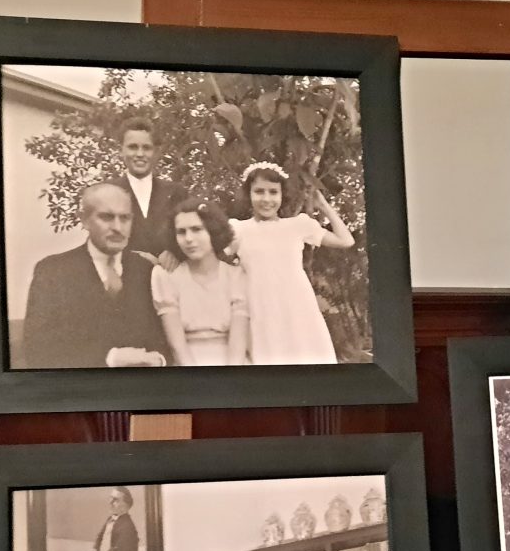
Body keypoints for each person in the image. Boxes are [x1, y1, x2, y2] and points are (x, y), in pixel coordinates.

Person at [20, 182, 171, 369]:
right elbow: (38, 349)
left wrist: (160, 361)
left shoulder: (146, 270)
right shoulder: (53, 272)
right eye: (106, 217)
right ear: (84, 220)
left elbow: (166, 339)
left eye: (125, 218)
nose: (118, 227)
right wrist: (110, 358)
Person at [228, 161, 353, 365]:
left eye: (273, 192)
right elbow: (214, 260)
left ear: (282, 195)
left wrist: (323, 206)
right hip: (262, 309)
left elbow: (345, 240)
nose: (266, 199)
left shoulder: (298, 225)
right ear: (248, 194)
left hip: (298, 308)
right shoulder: (238, 230)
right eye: (259, 191)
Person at [151, 198, 251, 366]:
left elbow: (238, 344)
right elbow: (177, 347)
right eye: (181, 232)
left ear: (213, 231)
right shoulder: (166, 276)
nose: (188, 238)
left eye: (197, 229)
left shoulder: (236, 276)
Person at [114, 117, 188, 261]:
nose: (140, 154)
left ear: (156, 152)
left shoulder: (176, 193)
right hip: (122, 272)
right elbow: (99, 244)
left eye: (146, 148)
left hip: (168, 272)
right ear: (121, 150)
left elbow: (190, 233)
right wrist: (136, 259)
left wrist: (174, 251)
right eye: (132, 147)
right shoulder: (106, 192)